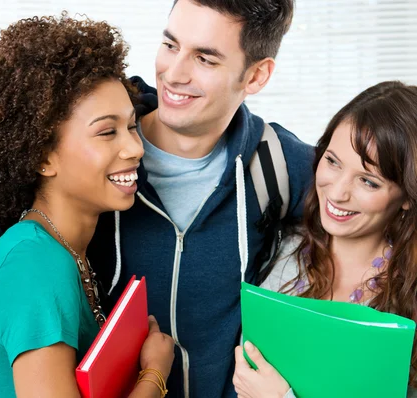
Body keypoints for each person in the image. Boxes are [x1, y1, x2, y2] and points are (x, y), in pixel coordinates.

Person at [87, 0, 314, 396]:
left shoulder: (280, 164)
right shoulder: (92, 150)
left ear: (257, 75)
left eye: (205, 59)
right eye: (170, 45)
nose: (173, 75)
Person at [0, 14, 175, 398]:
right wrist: (154, 374)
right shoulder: (34, 267)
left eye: (132, 126)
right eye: (107, 132)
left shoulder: (65, 251)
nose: (135, 148)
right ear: (42, 157)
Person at [233, 81, 417, 398]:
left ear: (407, 196)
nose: (337, 191)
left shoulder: (409, 290)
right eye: (332, 161)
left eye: (368, 182)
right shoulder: (282, 253)